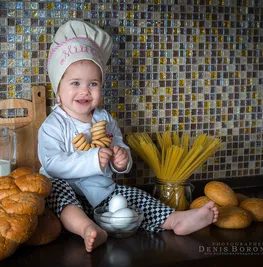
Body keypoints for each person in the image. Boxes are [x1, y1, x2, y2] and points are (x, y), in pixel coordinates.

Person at [38, 20, 219, 253]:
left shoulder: (104, 119)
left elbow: (118, 146)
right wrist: (92, 159)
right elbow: (51, 165)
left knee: (132, 196)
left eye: (93, 83)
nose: (85, 90)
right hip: (67, 194)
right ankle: (88, 229)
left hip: (102, 193)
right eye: (75, 83)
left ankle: (176, 220)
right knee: (55, 190)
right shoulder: (53, 125)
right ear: (58, 91)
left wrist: (121, 160)